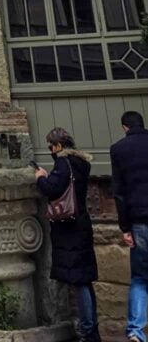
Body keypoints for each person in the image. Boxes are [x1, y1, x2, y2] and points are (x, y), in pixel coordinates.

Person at [34, 126, 99, 342]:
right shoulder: (82, 163)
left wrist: (41, 177)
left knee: (79, 281)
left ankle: (88, 331)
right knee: (85, 280)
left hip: (69, 229)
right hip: (81, 224)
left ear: (59, 145)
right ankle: (92, 329)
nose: (50, 150)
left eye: (51, 146)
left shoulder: (63, 163)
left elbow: (53, 188)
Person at [110, 110, 148, 342]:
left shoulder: (119, 150)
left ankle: (135, 329)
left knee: (141, 278)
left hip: (140, 220)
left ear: (124, 127)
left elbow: (119, 194)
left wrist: (125, 228)